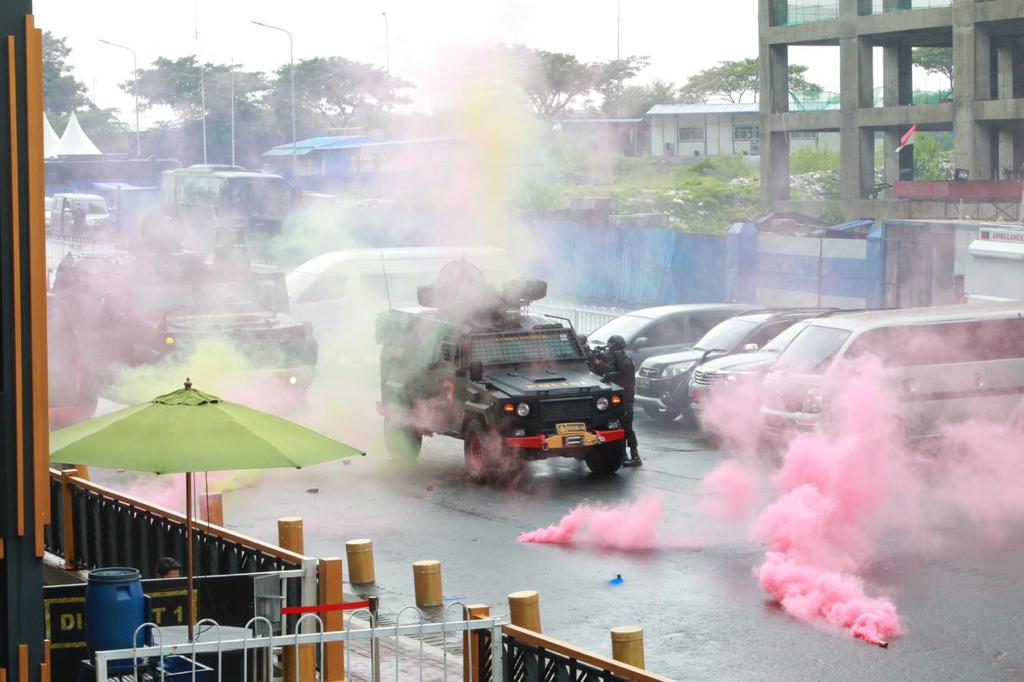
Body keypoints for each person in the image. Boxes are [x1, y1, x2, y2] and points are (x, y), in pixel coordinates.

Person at [590, 334, 641, 467]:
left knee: (627, 428)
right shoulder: (620, 360)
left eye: (611, 346)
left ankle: (635, 456)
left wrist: (600, 364)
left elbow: (613, 372)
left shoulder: (624, 361)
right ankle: (624, 455)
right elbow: (608, 371)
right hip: (619, 401)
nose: (610, 350)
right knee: (620, 428)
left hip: (626, 400)